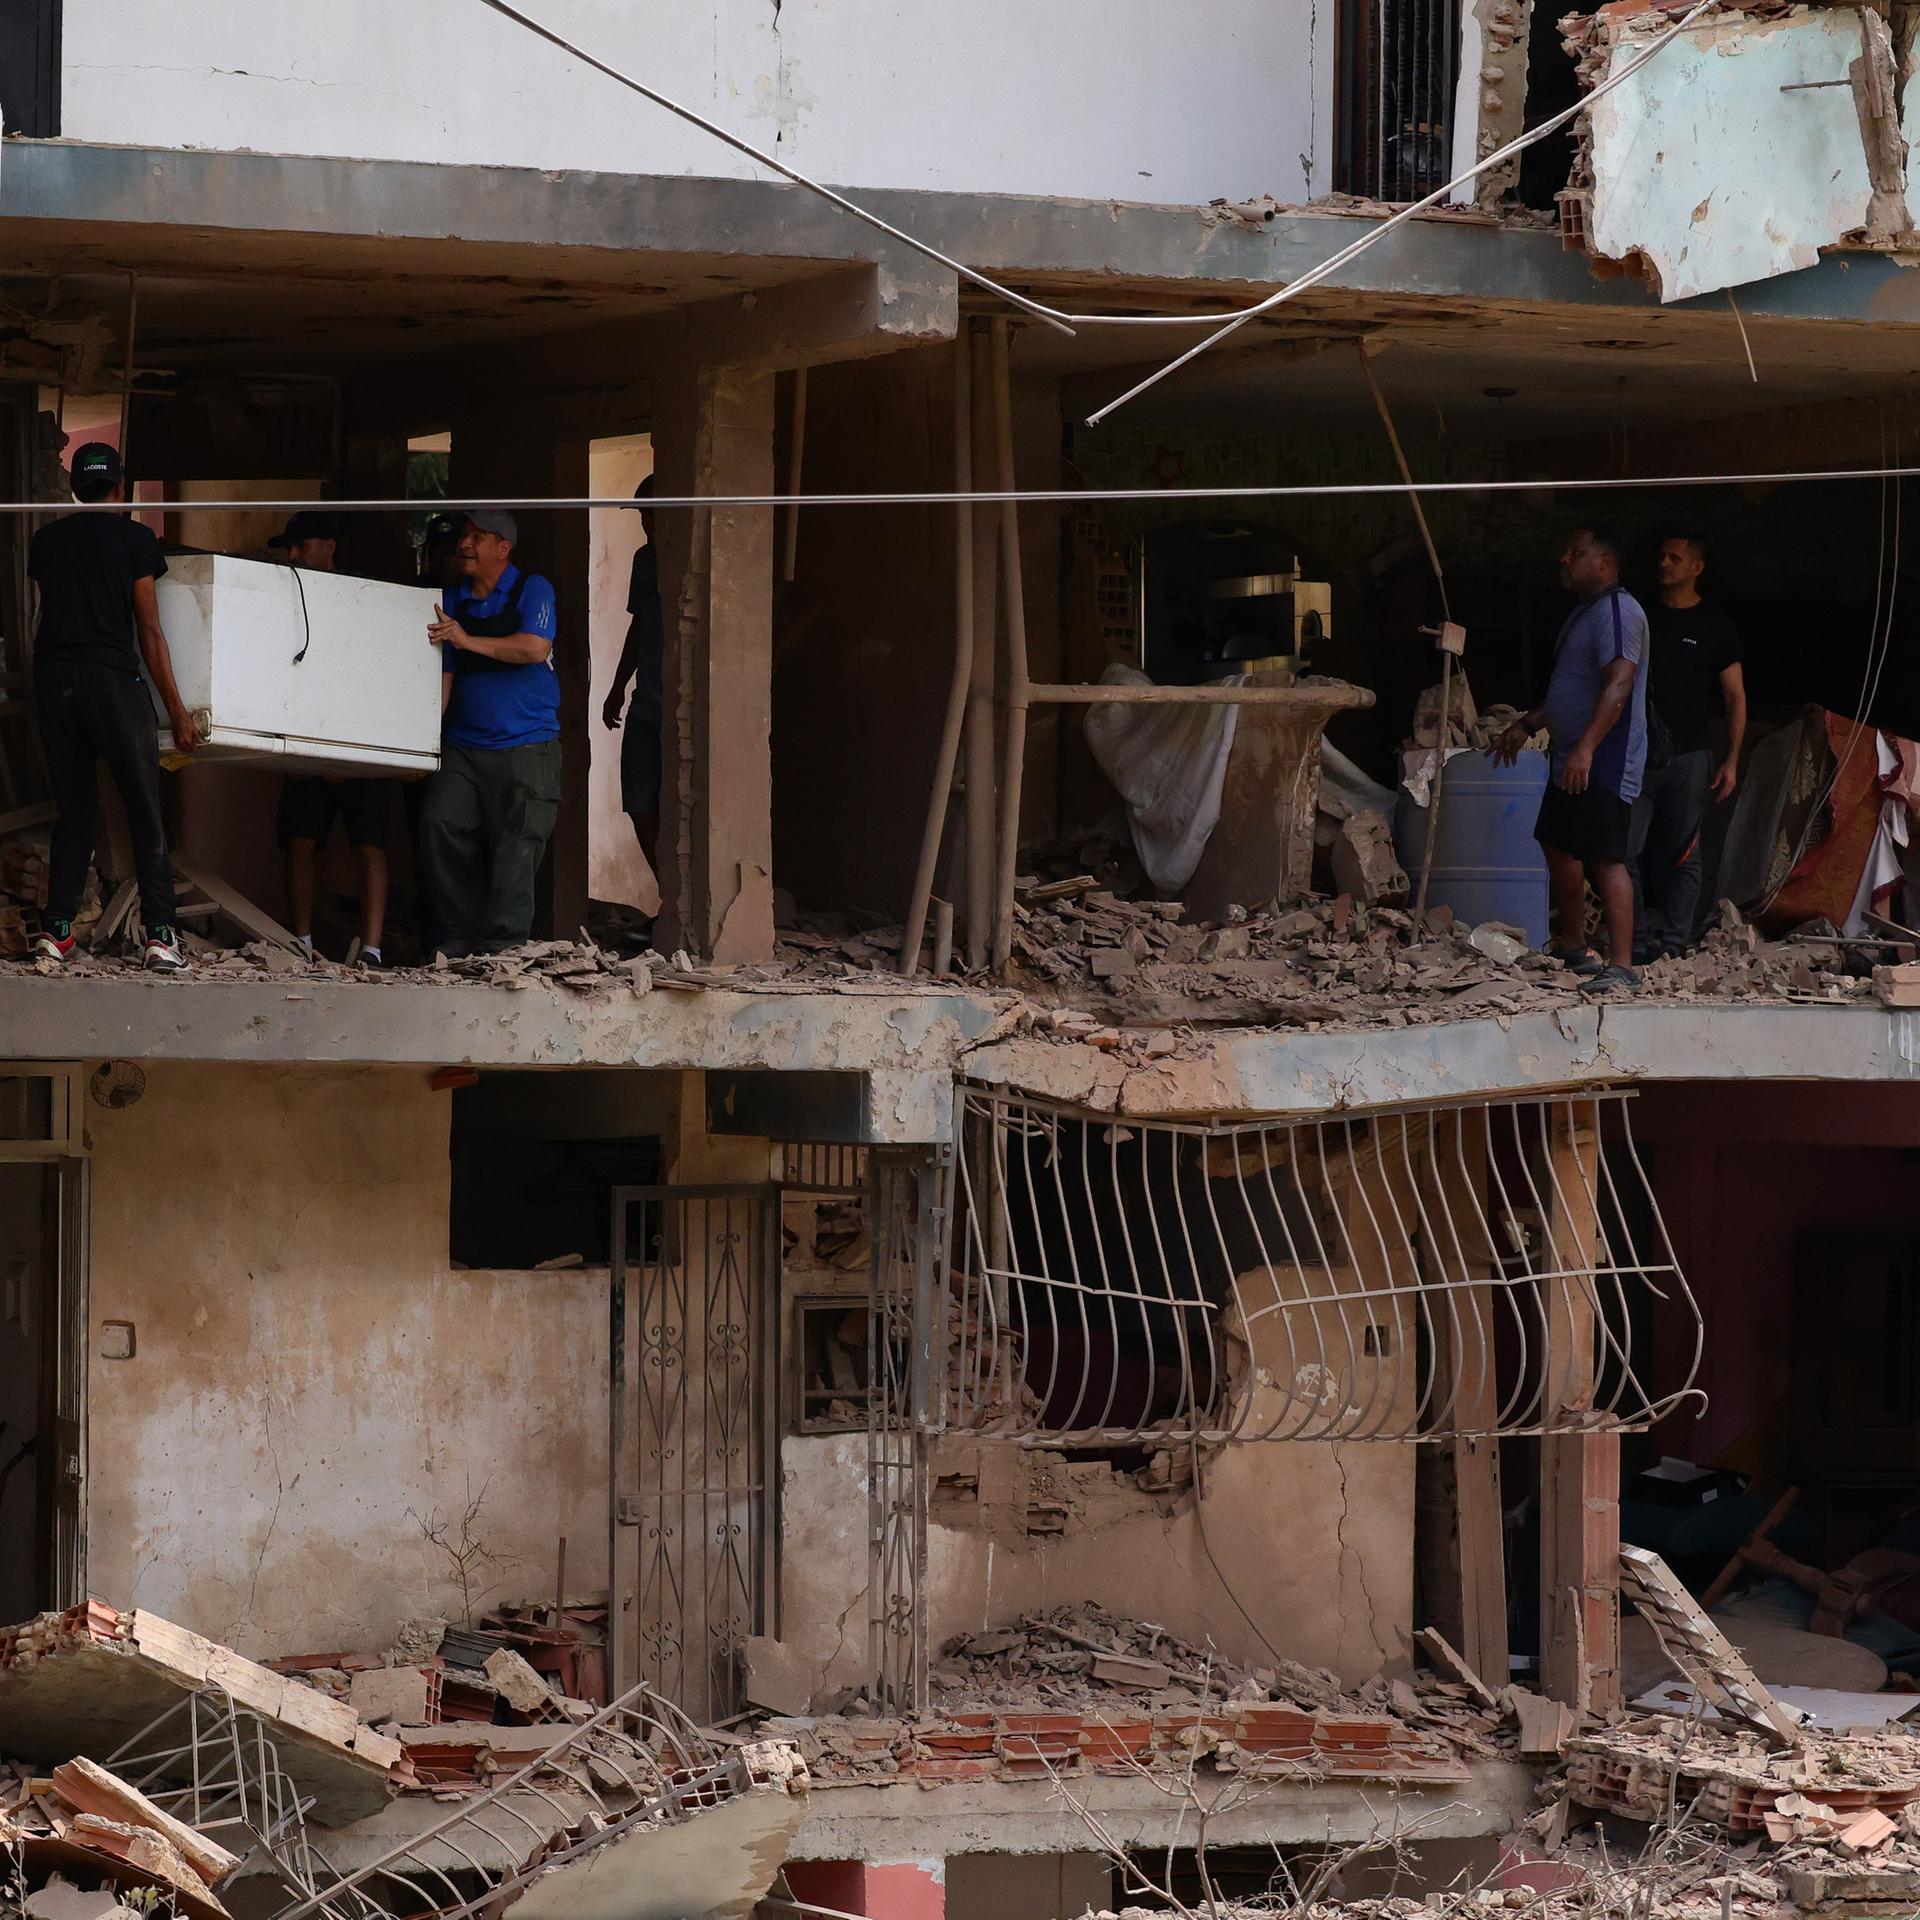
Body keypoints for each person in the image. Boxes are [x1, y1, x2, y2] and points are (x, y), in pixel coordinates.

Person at [27, 442, 195, 973]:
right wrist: (178, 709)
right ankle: (161, 937)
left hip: (55, 680)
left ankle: (56, 933)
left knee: (74, 811)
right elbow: (148, 628)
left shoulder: (46, 541)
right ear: (121, 487)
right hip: (109, 682)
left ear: (77, 488)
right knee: (144, 810)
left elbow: (43, 615)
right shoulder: (136, 539)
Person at [1490, 526, 1649, 994]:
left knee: (1606, 854)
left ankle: (1622, 965)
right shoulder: (1587, 612)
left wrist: (1587, 747)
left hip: (1603, 755)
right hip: (1572, 753)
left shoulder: (1620, 611)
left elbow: (1618, 683)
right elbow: (1572, 687)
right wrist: (1527, 724)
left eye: (1575, 553)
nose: (1564, 559)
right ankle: (1575, 947)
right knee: (1558, 842)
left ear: (1604, 562)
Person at [420, 510, 560, 955]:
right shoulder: (452, 598)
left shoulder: (531, 588)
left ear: (503, 547)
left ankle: (505, 949)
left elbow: (535, 647)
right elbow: (443, 674)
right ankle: (460, 938)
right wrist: (424, 744)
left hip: (528, 744)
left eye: (478, 537)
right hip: (464, 744)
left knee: (517, 846)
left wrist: (468, 641)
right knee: (439, 825)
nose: (466, 544)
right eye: (465, 535)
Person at [269, 512, 392, 966]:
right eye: (290, 548)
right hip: (305, 742)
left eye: (302, 546)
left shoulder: (365, 596)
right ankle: (300, 942)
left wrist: (352, 751)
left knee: (371, 843)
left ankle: (373, 949)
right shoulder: (285, 597)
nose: (294, 556)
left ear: (330, 545)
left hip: (362, 742)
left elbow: (377, 675)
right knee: (299, 841)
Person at [1631, 532, 1746, 960]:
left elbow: (1735, 696)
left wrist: (1732, 759)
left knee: (1683, 852)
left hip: (1690, 753)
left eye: (1674, 558)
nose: (1664, 563)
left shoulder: (1715, 625)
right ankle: (1634, 942)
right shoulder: (1641, 616)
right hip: (1639, 752)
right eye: (1660, 556)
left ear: (1696, 568)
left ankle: (1675, 946)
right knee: (1624, 850)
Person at [600, 477, 663, 882]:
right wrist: (617, 686)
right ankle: (667, 888)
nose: (646, 521)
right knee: (639, 801)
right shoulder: (645, 560)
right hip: (645, 704)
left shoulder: (691, 559)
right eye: (642, 513)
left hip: (674, 709)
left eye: (650, 512)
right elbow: (638, 626)